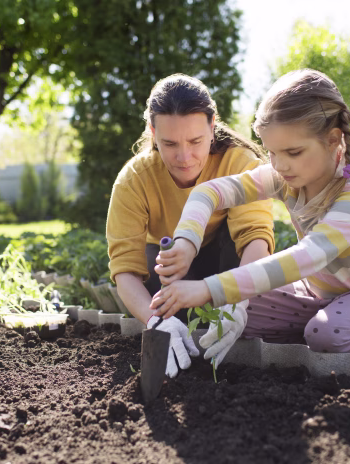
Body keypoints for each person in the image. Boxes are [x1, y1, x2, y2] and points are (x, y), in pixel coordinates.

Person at [150, 69, 350, 368]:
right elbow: (209, 192)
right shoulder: (284, 176)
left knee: (326, 333)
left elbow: (308, 257)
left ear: (333, 140)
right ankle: (316, 332)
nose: (279, 165)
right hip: (317, 291)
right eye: (271, 152)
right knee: (232, 313)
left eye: (293, 151)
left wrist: (207, 287)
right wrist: (187, 241)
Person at [107, 74, 275, 377]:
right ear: (152, 132)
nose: (184, 157)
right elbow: (125, 269)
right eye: (169, 143)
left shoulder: (240, 163)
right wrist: (154, 321)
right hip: (171, 266)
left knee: (236, 253)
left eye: (196, 141)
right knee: (156, 273)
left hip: (224, 262)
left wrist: (238, 297)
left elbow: (255, 238)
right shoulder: (135, 179)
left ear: (212, 127)